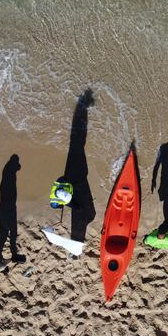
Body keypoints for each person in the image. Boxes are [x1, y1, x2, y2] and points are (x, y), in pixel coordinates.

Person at [64, 90, 96, 243]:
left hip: (77, 179)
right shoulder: (86, 214)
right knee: (76, 144)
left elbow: (82, 210)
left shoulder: (88, 214)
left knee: (77, 144)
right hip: (75, 179)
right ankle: (82, 108)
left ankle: (82, 107)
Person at [0, 155, 25, 264]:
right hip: (9, 211)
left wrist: (16, 167)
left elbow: (14, 168)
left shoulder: (7, 172)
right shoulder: (9, 175)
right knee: (12, 234)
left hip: (3, 211)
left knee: (3, 235)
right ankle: (13, 255)